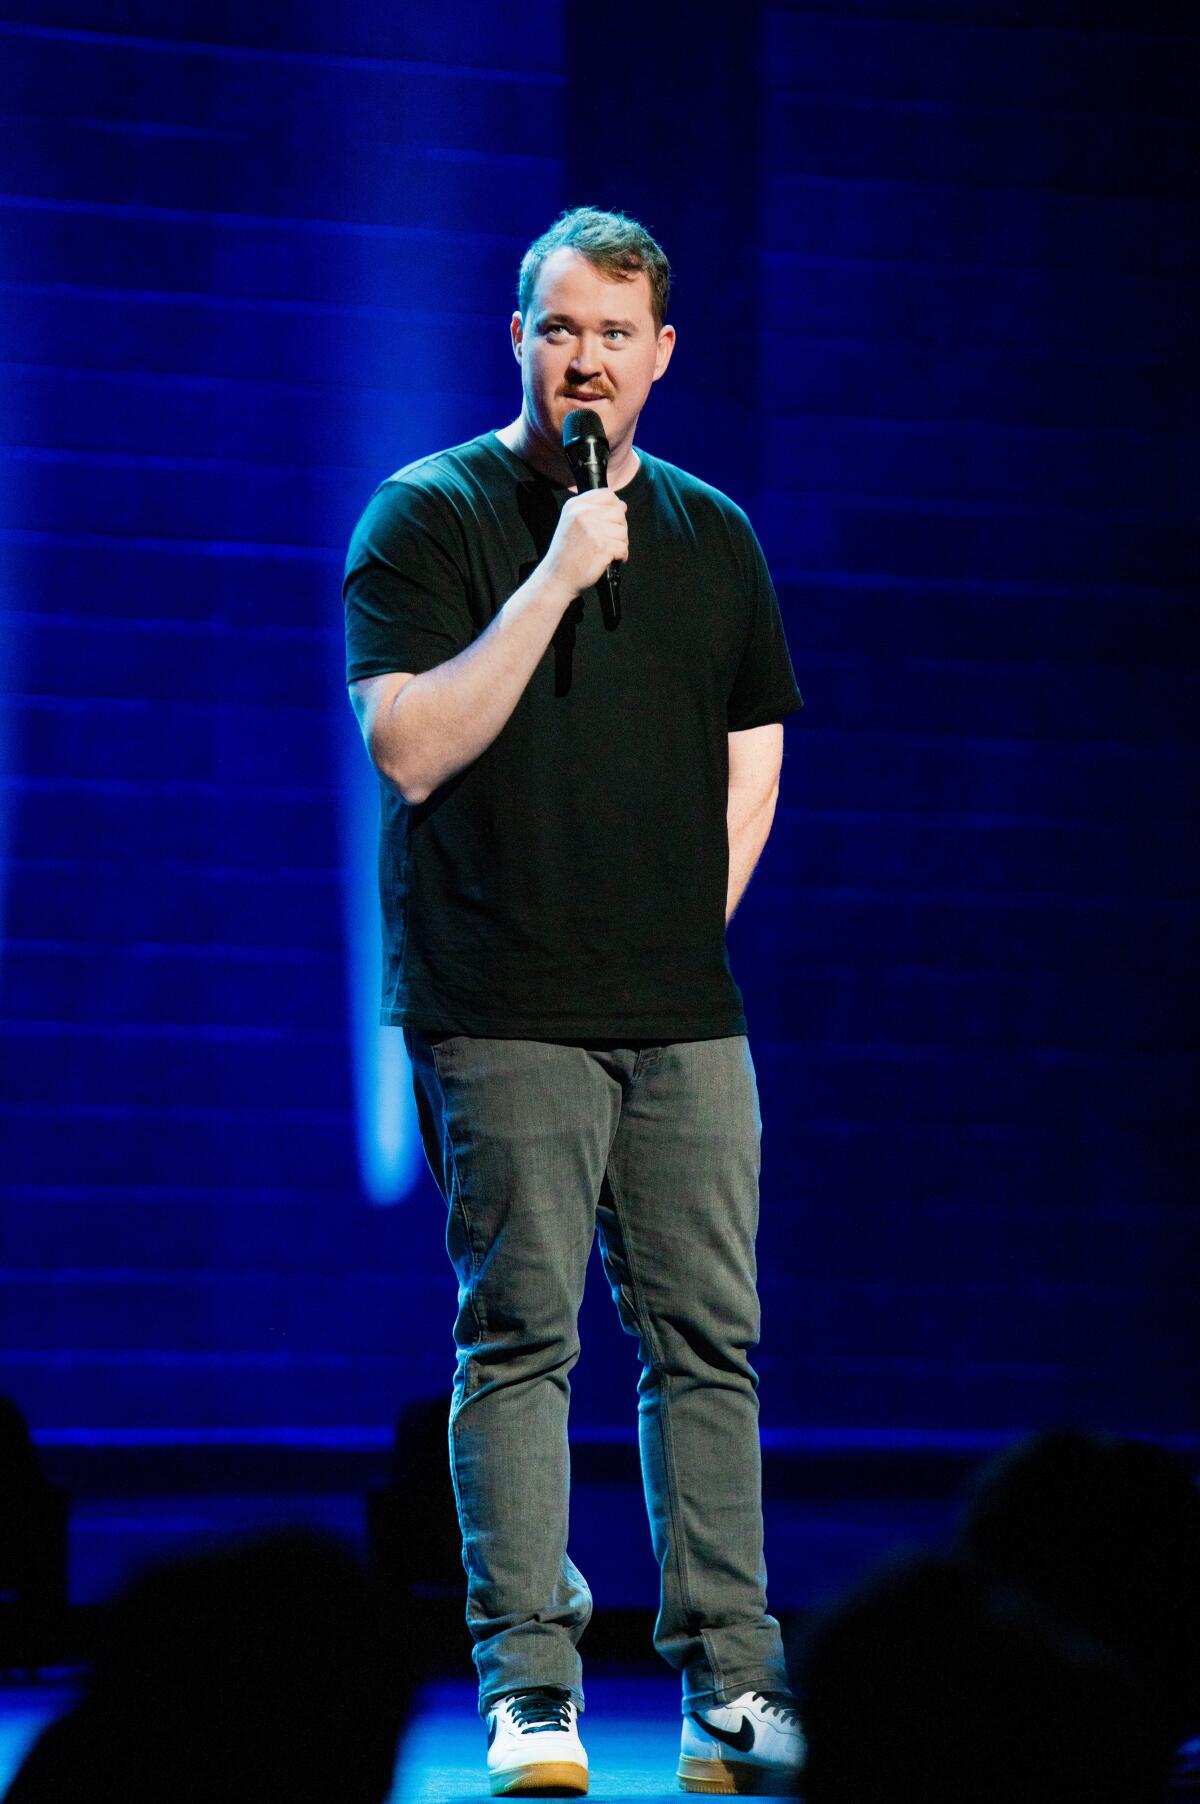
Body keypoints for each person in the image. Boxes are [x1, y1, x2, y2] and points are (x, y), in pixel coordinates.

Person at [343, 206, 805, 1797]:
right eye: (559, 329)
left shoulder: (719, 536)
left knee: (709, 1349)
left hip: (684, 1009)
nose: (585, 359)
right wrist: (553, 574)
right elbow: (408, 747)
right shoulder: (429, 517)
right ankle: (530, 1690)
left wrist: (688, 920)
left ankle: (731, 1692)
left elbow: (756, 747)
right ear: (520, 341)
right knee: (520, 1339)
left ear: (662, 354)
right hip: (497, 998)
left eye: (615, 333)